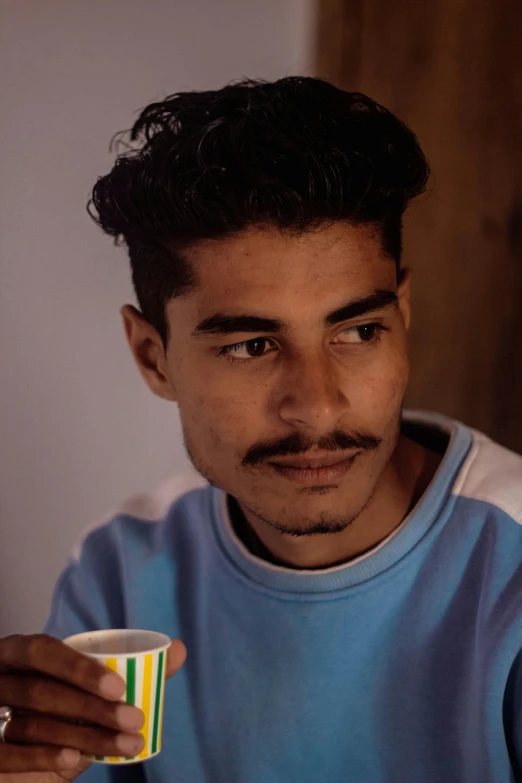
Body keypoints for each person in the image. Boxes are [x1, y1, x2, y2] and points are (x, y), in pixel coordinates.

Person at [1, 76, 522, 783]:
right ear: (153, 356)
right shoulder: (117, 574)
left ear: (403, 313)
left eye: (359, 330)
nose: (317, 406)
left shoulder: (510, 564)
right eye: (251, 345)